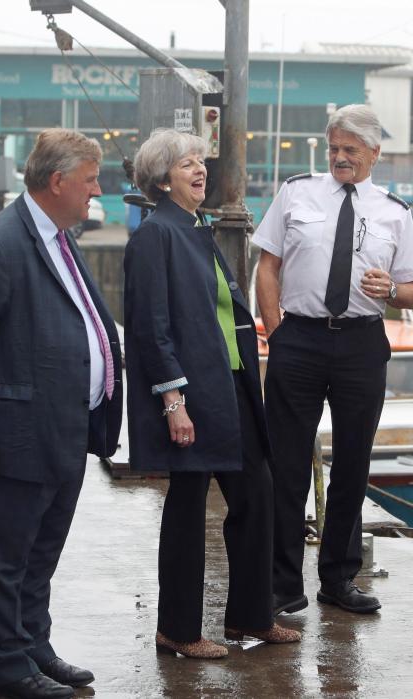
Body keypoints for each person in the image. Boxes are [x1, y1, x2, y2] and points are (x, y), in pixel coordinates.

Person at [0, 128, 123, 699]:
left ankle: (34, 646)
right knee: (3, 559)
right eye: (90, 180)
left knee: (40, 553)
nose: (97, 190)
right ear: (58, 181)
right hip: (15, 432)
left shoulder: (61, 238)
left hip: (65, 429)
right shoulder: (1, 243)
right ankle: (10, 669)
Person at [123, 128, 300, 659]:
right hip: (192, 393)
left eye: (201, 161)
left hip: (232, 386)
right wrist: (172, 401)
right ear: (161, 178)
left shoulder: (197, 229)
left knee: (257, 494)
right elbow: (151, 327)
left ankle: (251, 617)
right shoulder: (157, 235)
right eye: (186, 164)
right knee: (187, 506)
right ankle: (177, 628)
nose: (200, 170)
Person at [252, 104, 413, 616]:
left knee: (353, 464)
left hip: (360, 344)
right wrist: (276, 332)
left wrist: (392, 289)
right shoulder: (297, 192)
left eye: (351, 150)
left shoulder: (395, 211)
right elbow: (268, 266)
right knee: (285, 464)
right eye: (334, 149)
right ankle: (283, 584)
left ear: (375, 153)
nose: (340, 158)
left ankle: (339, 579)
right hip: (298, 339)